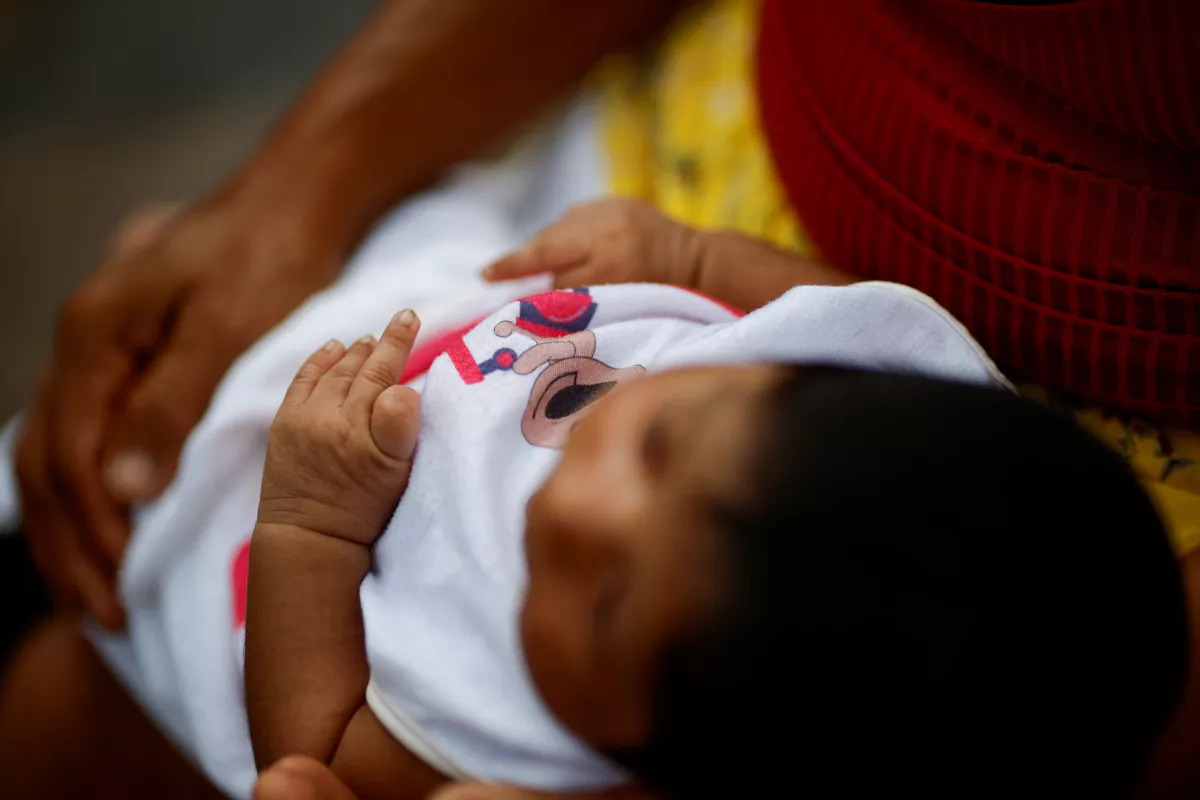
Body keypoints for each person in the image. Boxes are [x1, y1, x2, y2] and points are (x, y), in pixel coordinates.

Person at [2, 200, 1191, 799]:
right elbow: (772, 289)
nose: (575, 511)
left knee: (48, 713)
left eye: (610, 598)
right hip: (440, 305)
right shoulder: (893, 392)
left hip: (249, 521)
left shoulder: (510, 737)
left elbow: (310, 750)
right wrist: (675, 254)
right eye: (666, 444)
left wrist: (311, 524)